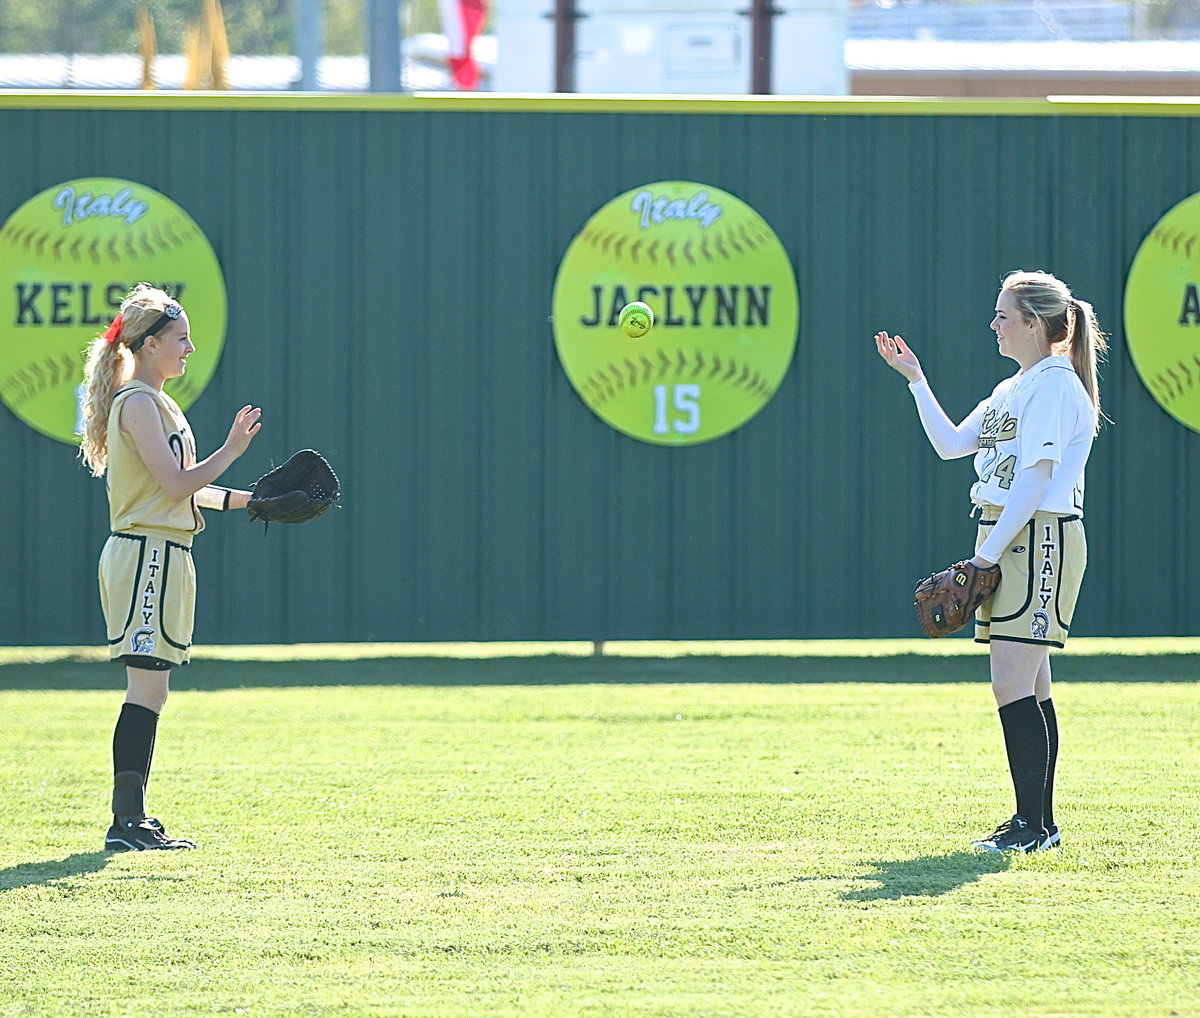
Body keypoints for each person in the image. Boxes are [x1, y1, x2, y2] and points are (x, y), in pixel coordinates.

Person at [875, 270, 1108, 853]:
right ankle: (1037, 823)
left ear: (1034, 324)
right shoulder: (1015, 388)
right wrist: (917, 381)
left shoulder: (1055, 385)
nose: (995, 324)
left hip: (1038, 533)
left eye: (1005, 315)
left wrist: (985, 555)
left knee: (1010, 682)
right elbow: (952, 443)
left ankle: (1035, 826)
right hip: (1010, 535)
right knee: (1030, 682)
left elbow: (1037, 480)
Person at [79, 283, 262, 851]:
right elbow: (178, 483)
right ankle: (124, 823)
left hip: (163, 550)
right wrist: (231, 449)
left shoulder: (157, 402)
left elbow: (185, 492)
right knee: (145, 688)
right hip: (145, 554)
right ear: (151, 343)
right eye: (180, 339)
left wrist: (249, 501)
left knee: (153, 691)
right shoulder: (135, 402)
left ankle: (134, 819)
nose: (189, 348)